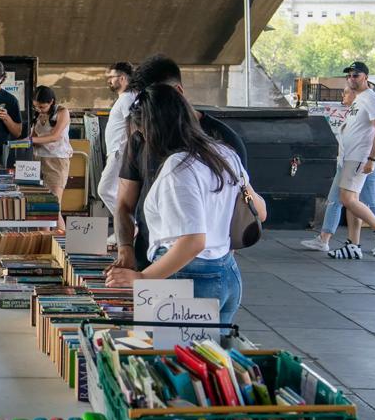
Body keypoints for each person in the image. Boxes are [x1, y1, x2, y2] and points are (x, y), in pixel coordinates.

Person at [104, 84, 267, 325]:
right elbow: (260, 211)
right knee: (209, 359)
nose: (142, 139)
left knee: (168, 356)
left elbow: (193, 241)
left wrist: (141, 278)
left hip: (186, 279)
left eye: (142, 132)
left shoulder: (178, 167)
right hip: (226, 273)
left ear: (154, 129)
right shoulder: (223, 153)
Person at [111, 54, 249, 271]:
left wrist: (220, 263)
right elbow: (124, 204)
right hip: (149, 259)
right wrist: (125, 249)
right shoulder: (140, 136)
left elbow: (241, 207)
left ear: (177, 93)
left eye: (153, 103)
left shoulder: (224, 140)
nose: (144, 117)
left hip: (204, 266)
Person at [300, 62, 375, 258]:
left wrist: (371, 158)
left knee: (349, 199)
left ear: (365, 77)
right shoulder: (359, 100)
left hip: (359, 158)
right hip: (349, 158)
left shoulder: (372, 98)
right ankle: (353, 244)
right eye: (349, 75)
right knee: (351, 201)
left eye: (356, 75)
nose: (351, 78)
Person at [29, 85, 72, 227]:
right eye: (36, 107)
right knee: (42, 208)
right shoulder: (37, 115)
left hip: (56, 160)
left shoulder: (62, 112)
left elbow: (54, 136)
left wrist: (31, 140)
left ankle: (61, 246)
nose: (39, 110)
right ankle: (47, 241)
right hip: (38, 160)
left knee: (53, 206)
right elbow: (33, 137)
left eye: (42, 107)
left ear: (52, 101)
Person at [97, 61, 136, 217]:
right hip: (117, 152)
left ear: (122, 78)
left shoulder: (127, 98)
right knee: (117, 193)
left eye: (112, 77)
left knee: (104, 190)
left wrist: (131, 151)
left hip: (120, 152)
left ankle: (130, 227)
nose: (109, 80)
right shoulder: (125, 98)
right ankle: (125, 230)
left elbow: (132, 125)